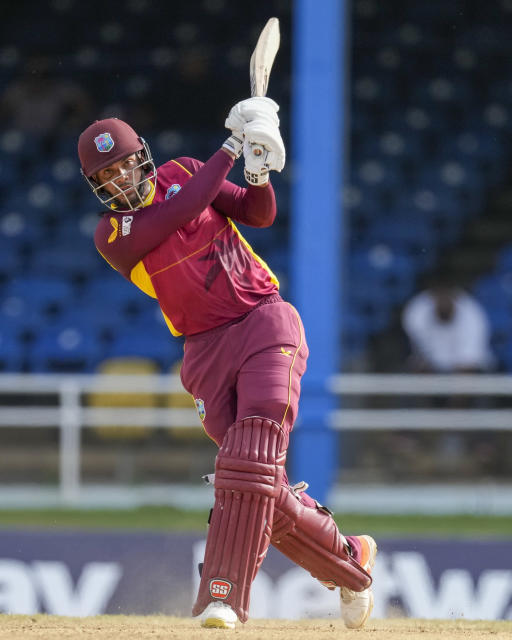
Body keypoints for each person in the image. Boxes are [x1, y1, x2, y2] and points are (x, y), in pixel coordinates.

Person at [76, 100, 376, 629]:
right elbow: (179, 213)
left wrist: (257, 169)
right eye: (106, 173)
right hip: (204, 352)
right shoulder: (113, 234)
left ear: (141, 156)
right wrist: (233, 146)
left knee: (250, 458)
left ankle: (222, 597)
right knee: (256, 482)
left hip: (264, 322)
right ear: (95, 185)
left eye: (123, 163)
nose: (119, 176)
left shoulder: (187, 171)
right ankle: (352, 562)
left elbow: (259, 214)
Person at [402, 280, 495, 373]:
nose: (443, 302)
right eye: (440, 299)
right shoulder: (417, 313)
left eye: (446, 299)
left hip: (468, 365)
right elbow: (420, 353)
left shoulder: (473, 315)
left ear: (454, 300)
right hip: (433, 366)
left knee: (467, 374)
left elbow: (468, 361)